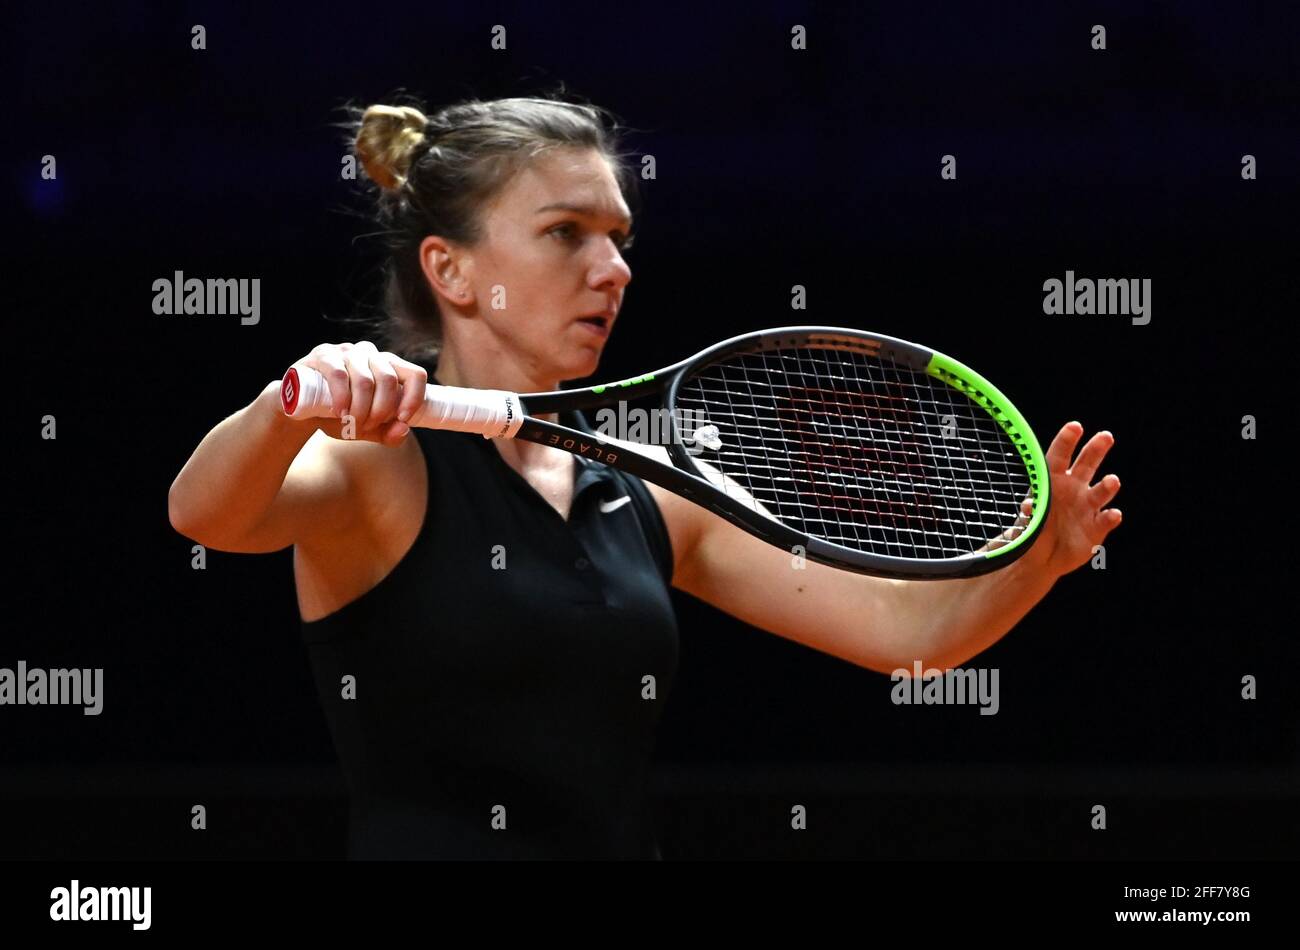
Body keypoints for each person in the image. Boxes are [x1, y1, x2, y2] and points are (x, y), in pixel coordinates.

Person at [167, 93, 1124, 860]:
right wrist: (286, 404)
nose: (613, 267)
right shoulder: (376, 466)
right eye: (566, 233)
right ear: (452, 274)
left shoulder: (652, 485)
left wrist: (1042, 558)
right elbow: (205, 513)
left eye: (619, 236)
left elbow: (906, 638)